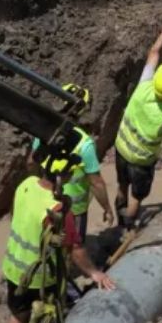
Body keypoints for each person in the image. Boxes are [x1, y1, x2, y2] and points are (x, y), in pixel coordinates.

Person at [2, 147, 115, 323]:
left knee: (19, 312)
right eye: (70, 173)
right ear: (62, 178)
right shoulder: (58, 210)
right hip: (40, 277)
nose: (73, 175)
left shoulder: (26, 184)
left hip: (13, 268)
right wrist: (94, 273)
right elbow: (75, 250)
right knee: (46, 317)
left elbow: (15, 215)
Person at [113, 3, 162, 230]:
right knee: (137, 196)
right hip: (140, 162)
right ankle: (127, 227)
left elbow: (154, 51)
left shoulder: (144, 84)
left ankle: (119, 221)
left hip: (120, 148)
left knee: (121, 186)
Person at [30, 85, 113, 239]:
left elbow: (32, 162)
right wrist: (107, 208)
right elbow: (96, 183)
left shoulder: (43, 131)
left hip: (45, 203)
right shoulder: (84, 144)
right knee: (74, 246)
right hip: (74, 211)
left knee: (46, 242)